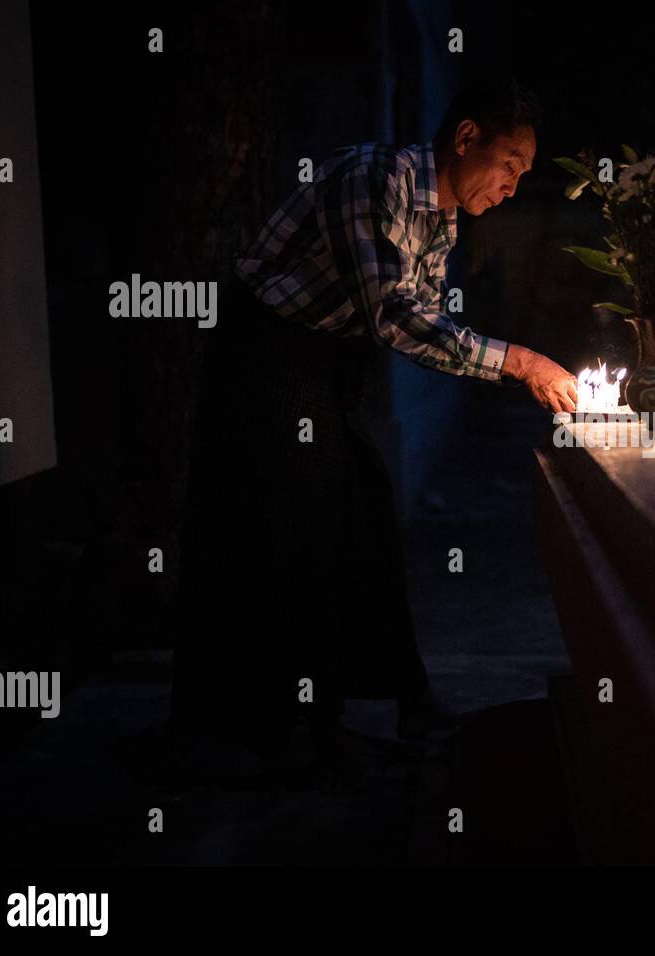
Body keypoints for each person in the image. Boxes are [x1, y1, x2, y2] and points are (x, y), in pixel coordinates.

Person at [171, 75, 577, 778]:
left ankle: (386, 701)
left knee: (361, 510)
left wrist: (510, 365)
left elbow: (421, 323)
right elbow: (394, 316)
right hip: (267, 355)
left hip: (326, 361)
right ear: (465, 138)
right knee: (293, 524)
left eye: (523, 176)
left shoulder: (442, 218)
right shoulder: (372, 179)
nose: (512, 188)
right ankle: (289, 725)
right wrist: (518, 361)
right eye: (509, 166)